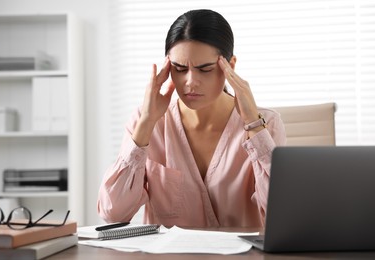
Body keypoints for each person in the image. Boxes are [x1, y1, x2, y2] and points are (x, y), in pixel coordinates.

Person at [97, 9, 286, 228]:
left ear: (230, 66)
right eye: (179, 68)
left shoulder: (266, 123)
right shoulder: (147, 122)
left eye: (204, 69)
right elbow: (113, 213)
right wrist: (147, 123)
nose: (190, 82)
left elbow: (283, 213)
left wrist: (253, 124)